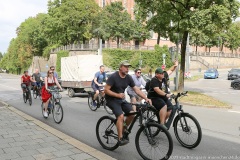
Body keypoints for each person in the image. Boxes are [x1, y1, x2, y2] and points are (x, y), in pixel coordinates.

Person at [104, 60, 151, 146]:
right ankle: (120, 138)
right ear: (120, 67)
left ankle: (123, 128)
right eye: (125, 67)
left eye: (128, 67)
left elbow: (136, 89)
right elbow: (106, 90)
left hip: (120, 99)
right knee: (121, 116)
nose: (127, 69)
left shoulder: (128, 77)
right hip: (111, 99)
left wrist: (146, 98)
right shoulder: (113, 77)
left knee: (132, 114)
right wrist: (117, 95)